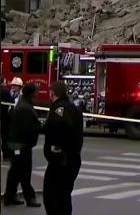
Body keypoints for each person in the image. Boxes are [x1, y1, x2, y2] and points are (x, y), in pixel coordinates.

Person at [42, 81, 84, 215]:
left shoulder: (60, 109)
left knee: (53, 196)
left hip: (61, 160)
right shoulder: (74, 108)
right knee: (64, 195)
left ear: (52, 93)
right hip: (73, 158)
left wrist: (57, 148)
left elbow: (60, 127)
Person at [3, 83, 42, 208]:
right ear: (31, 93)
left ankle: (10, 196)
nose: (38, 93)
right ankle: (30, 197)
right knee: (24, 171)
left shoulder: (24, 104)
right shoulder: (25, 107)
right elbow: (28, 128)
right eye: (36, 91)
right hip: (21, 144)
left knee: (15, 171)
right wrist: (40, 128)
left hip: (17, 142)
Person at [1, 77, 14, 160]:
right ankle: (6, 155)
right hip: (4, 116)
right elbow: (11, 103)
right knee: (5, 137)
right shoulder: (5, 91)